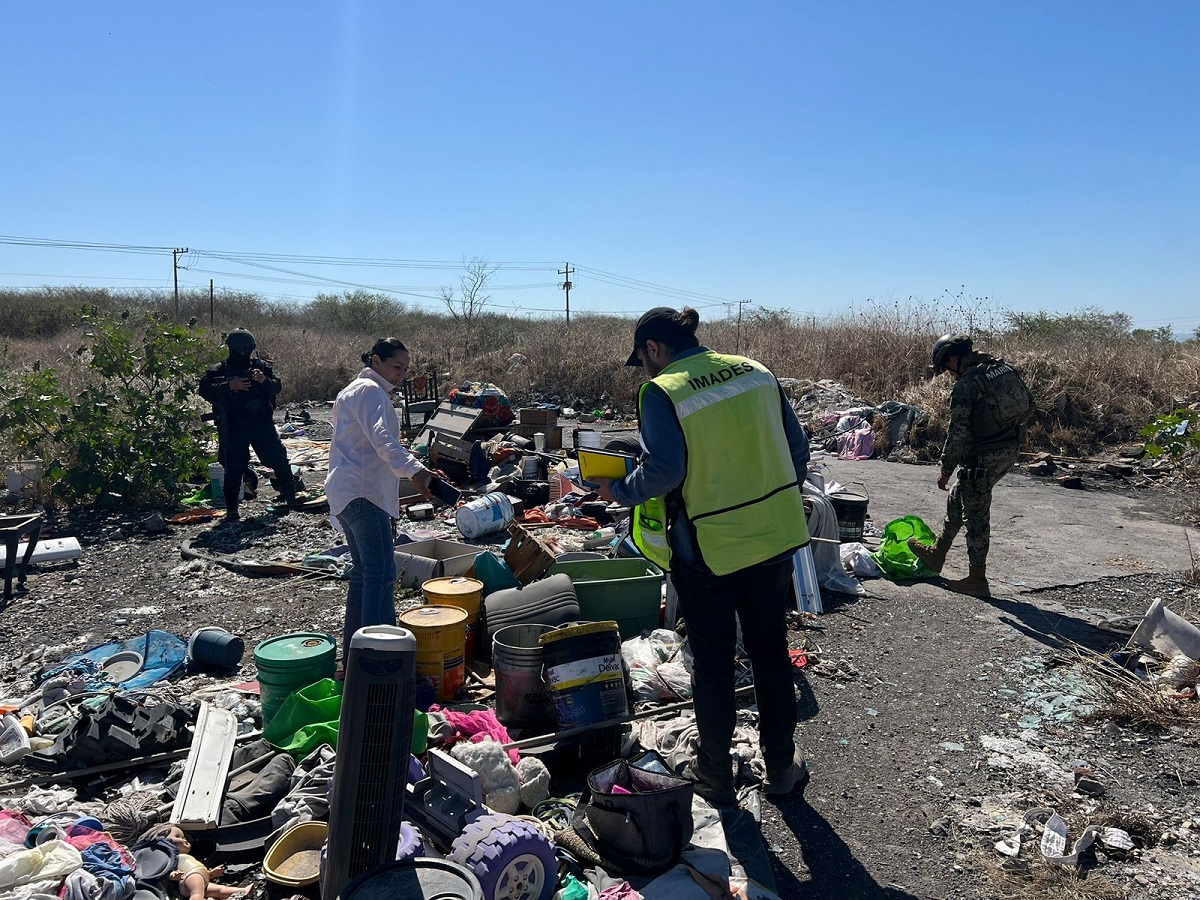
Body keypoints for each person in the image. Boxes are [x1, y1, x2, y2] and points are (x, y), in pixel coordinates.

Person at [594, 306, 811, 805]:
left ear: (653, 348)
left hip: (708, 551)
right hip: (774, 539)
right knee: (771, 657)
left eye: (643, 359)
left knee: (712, 666)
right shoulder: (757, 372)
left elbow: (666, 471)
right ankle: (780, 769)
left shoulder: (663, 390)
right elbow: (797, 451)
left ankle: (715, 776)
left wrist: (621, 489)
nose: (645, 369)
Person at [325, 338, 437, 653]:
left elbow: (366, 445)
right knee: (381, 572)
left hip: (349, 492)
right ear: (376, 361)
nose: (401, 374)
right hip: (362, 494)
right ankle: (379, 654)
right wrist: (415, 470)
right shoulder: (370, 392)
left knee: (364, 574)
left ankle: (355, 654)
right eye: (396, 366)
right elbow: (382, 438)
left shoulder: (352, 391)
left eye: (405, 369)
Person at [908, 334, 1034, 596]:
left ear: (955, 359)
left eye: (947, 366)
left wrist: (945, 468)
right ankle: (937, 554)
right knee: (959, 496)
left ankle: (977, 579)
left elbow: (958, 432)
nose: (948, 373)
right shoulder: (1000, 368)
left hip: (983, 456)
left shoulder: (968, 384)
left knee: (975, 515)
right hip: (1009, 448)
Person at [198, 329, 300, 522]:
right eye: (241, 348)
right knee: (233, 466)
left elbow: (277, 387)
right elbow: (205, 390)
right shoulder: (219, 370)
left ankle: (291, 498)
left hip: (261, 424)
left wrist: (263, 380)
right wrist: (230, 386)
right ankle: (232, 510)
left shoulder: (260, 367)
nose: (244, 352)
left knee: (278, 458)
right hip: (234, 426)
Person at [144, 824, 250, 899]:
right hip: (190, 878)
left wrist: (210, 874)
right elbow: (166, 870)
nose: (184, 839)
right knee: (197, 894)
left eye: (184, 837)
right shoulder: (171, 858)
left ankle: (243, 891)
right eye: (177, 837)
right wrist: (172, 874)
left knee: (219, 890)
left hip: (198, 877)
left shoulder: (185, 856)